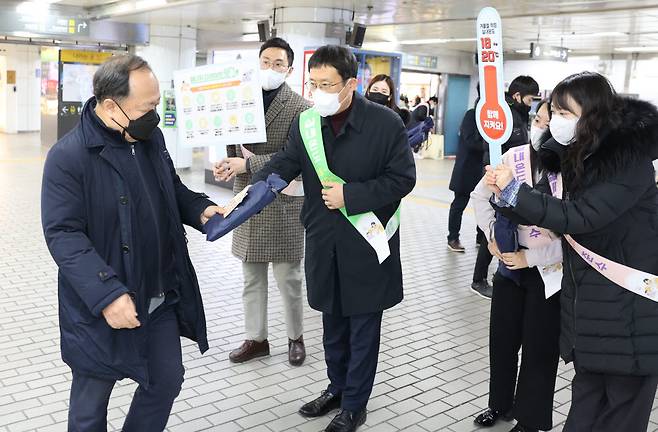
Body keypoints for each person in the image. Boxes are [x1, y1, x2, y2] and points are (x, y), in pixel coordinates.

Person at [41, 55, 223, 431]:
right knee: (90, 407)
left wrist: (201, 209)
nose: (154, 116)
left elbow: (170, 189)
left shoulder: (149, 138)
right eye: (146, 107)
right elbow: (63, 234)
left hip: (158, 294)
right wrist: (107, 293)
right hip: (103, 304)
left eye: (156, 104)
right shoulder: (69, 157)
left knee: (167, 380)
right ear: (110, 106)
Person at [242, 45, 416, 432]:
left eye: (327, 84)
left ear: (351, 84)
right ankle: (336, 389)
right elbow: (284, 164)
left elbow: (403, 179)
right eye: (313, 83)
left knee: (362, 329)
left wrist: (349, 196)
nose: (318, 91)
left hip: (367, 245)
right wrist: (246, 194)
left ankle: (355, 405)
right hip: (323, 240)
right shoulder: (307, 123)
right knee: (332, 325)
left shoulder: (385, 124)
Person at [487, 71, 658, 432]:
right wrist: (505, 195)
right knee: (583, 414)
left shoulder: (628, 164)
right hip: (592, 317)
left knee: (621, 417)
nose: (557, 122)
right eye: (556, 112)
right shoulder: (583, 160)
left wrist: (516, 192)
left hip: (630, 319)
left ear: (593, 115)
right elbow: (552, 212)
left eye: (566, 113)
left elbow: (578, 217)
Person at [213, 37, 311, 366]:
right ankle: (256, 338)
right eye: (265, 62)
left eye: (278, 63)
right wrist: (227, 163)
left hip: (283, 204)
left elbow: (295, 156)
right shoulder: (240, 100)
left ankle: (295, 338)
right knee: (251, 277)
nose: (270, 68)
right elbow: (230, 141)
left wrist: (250, 164)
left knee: (290, 279)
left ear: (290, 69)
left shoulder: (300, 107)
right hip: (246, 202)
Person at [471, 99, 562, 432]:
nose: (539, 127)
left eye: (549, 121)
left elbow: (576, 236)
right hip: (510, 267)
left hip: (549, 273)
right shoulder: (513, 157)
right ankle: (499, 405)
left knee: (539, 348)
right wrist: (492, 235)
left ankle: (530, 420)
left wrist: (531, 258)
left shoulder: (576, 169)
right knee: (503, 340)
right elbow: (479, 196)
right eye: (537, 119)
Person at [446, 90, 495, 297]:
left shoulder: (490, 121)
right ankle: (453, 237)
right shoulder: (470, 116)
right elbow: (470, 140)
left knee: (484, 204)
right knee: (459, 203)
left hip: (482, 170)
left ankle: (478, 235)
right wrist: (490, 141)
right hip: (467, 169)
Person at [502, 75, 540, 154]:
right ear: (517, 96)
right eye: (530, 99)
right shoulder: (508, 114)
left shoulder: (519, 112)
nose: (531, 104)